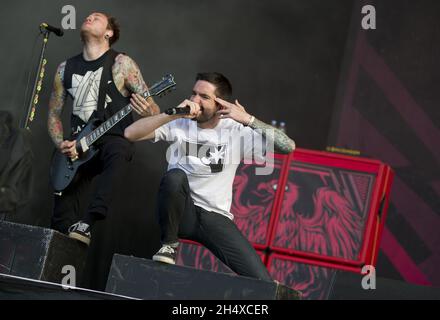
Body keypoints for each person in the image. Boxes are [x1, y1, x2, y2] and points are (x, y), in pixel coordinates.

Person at [124, 72, 295, 281]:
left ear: (220, 104)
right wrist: (172, 114)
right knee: (175, 177)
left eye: (204, 97)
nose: (195, 100)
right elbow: (130, 134)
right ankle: (169, 245)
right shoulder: (180, 122)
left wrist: (248, 119)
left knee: (263, 282)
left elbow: (288, 147)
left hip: (215, 217)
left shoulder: (236, 131)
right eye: (194, 94)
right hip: (182, 212)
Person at [47, 12, 159, 245]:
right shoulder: (64, 68)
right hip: (78, 147)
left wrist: (147, 110)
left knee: (120, 148)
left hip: (111, 139)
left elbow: (154, 111)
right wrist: (61, 143)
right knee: (60, 218)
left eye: (97, 17)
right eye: (87, 17)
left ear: (109, 33)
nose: (89, 18)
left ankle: (89, 221)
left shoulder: (121, 64)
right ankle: (62, 255)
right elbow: (54, 114)